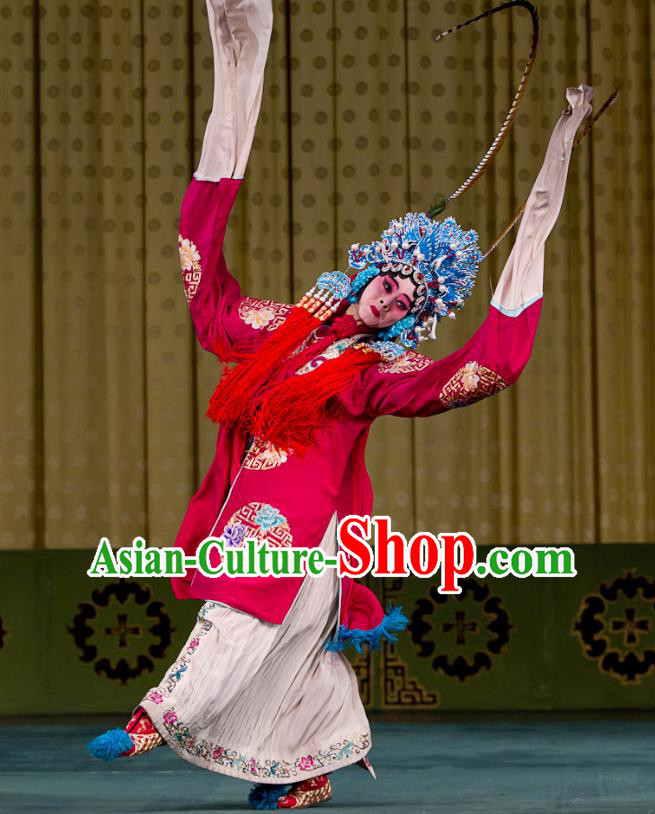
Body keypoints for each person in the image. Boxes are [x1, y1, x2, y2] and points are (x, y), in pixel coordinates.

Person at [87, 0, 593, 809]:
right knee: (293, 651)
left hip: (290, 523)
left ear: (411, 319)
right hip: (270, 515)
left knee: (244, 612)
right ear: (367, 269)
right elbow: (207, 291)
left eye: (407, 303)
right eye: (389, 281)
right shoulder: (281, 329)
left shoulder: (371, 373)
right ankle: (307, 770)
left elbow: (483, 372)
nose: (391, 300)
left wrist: (543, 196)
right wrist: (224, 139)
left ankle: (157, 715)